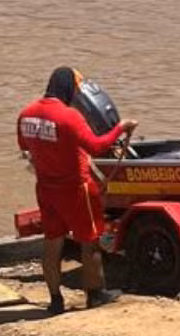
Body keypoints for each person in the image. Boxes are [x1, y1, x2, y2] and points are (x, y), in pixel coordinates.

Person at [16, 68, 138, 316]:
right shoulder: (69, 116)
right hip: (76, 189)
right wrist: (121, 128)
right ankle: (95, 295)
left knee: (52, 245)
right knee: (89, 242)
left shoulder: (25, 115)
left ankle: (55, 300)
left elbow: (25, 148)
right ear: (69, 89)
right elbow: (97, 144)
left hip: (46, 190)